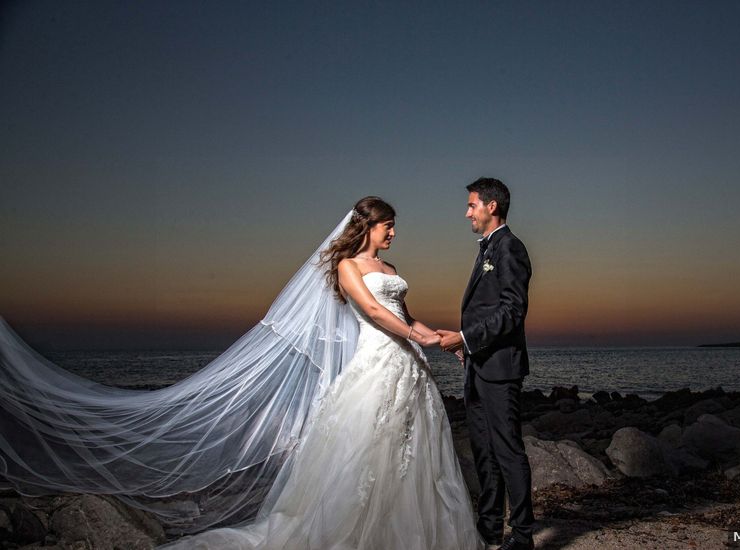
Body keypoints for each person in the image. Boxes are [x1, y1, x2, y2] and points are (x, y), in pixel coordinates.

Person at [0, 196, 484, 550]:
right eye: (388, 226)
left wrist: (441, 337)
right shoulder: (347, 267)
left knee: (412, 445)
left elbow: (403, 311)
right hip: (377, 360)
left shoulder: (390, 265)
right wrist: (416, 336)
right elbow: (376, 315)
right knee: (369, 447)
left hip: (408, 365)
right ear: (368, 226)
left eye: (394, 226)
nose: (393, 233)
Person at [436, 178, 536, 550]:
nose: (467, 213)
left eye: (472, 205)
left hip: (501, 369)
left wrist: (464, 338)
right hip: (478, 366)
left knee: (508, 450)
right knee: (483, 450)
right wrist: (468, 347)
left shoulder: (511, 248)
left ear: (491, 207)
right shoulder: (486, 249)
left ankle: (523, 536)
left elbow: (513, 311)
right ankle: (490, 528)